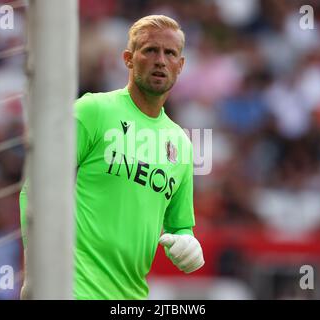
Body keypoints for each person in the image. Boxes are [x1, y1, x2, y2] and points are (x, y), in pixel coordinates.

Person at [19, 14, 204, 300]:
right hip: (71, 288)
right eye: (150, 50)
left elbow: (179, 224)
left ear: (180, 66)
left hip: (131, 297)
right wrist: (37, 269)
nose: (160, 60)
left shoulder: (181, 144)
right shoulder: (93, 111)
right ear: (128, 59)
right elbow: (35, 187)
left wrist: (188, 241)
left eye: (170, 53)